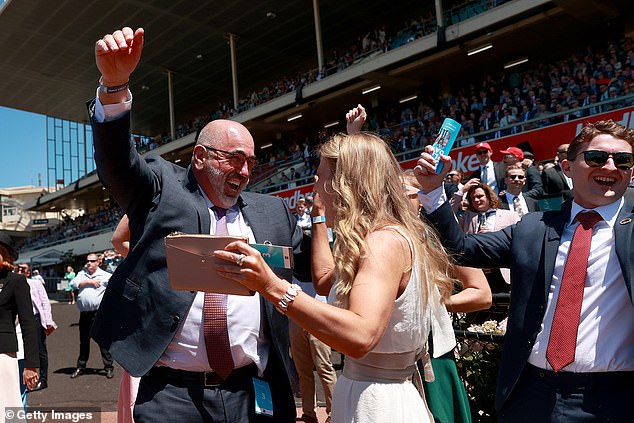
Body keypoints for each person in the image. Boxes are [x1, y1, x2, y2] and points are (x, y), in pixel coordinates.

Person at [90, 27, 308, 422]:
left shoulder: (273, 213)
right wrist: (115, 87)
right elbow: (117, 163)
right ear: (201, 156)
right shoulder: (163, 188)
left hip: (254, 391)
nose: (245, 171)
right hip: (173, 394)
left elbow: (318, 266)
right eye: (234, 159)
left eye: (251, 162)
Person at [214, 125, 455, 422]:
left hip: (378, 404)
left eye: (321, 176)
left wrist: (272, 286)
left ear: (344, 183)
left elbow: (360, 335)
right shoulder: (380, 236)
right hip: (365, 392)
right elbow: (327, 281)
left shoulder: (383, 242)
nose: (315, 187)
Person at [414, 119, 634, 422]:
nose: (610, 167)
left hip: (613, 400)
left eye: (622, 160)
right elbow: (460, 247)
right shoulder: (534, 228)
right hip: (530, 394)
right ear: (567, 168)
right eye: (597, 157)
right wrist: (433, 192)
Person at [402, 170, 491, 423]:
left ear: (421, 200)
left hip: (432, 354)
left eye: (407, 193)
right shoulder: (378, 237)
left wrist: (435, 304)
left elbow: (481, 294)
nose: (396, 199)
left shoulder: (439, 237)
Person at [0, 233, 39, 416]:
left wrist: (31, 365)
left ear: (4, 254)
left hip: (4, 355)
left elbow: (28, 325)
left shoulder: (16, 281)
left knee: (9, 409)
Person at [69, 253, 114, 379]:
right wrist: (90, 282)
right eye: (88, 261)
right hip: (84, 314)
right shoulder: (81, 274)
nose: (89, 263)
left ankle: (109, 367)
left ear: (98, 262)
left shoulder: (106, 276)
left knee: (103, 341)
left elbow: (115, 290)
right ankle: (81, 367)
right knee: (83, 342)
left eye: (92, 261)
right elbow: (73, 284)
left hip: (98, 313)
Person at [16, 263, 56, 391]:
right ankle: (23, 379)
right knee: (21, 349)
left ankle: (43, 379)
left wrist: (48, 321)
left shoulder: (35, 283)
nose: (20, 270)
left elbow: (45, 302)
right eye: (18, 268)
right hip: (17, 321)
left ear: (28, 273)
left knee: (40, 350)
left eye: (23, 269)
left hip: (34, 318)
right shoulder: (12, 283)